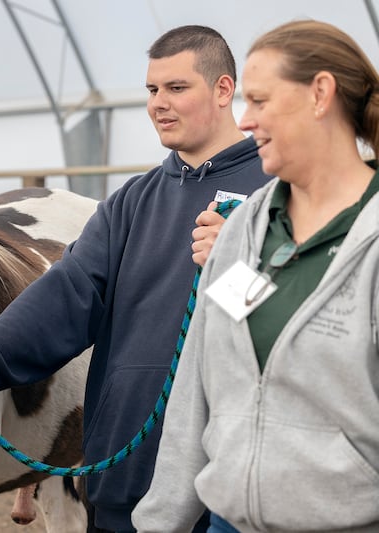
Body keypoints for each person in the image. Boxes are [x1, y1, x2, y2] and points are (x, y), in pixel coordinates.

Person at [0, 25, 272, 532]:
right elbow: (63, 298)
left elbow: (295, 323)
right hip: (125, 480)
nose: (158, 104)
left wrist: (235, 267)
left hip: (230, 492)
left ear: (222, 90)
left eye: (176, 88)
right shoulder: (131, 203)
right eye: (151, 90)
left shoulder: (274, 191)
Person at [132, 19, 379, 533]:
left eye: (261, 101)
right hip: (230, 521)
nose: (244, 121)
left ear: (321, 95)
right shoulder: (245, 229)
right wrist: (160, 522)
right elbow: (201, 381)